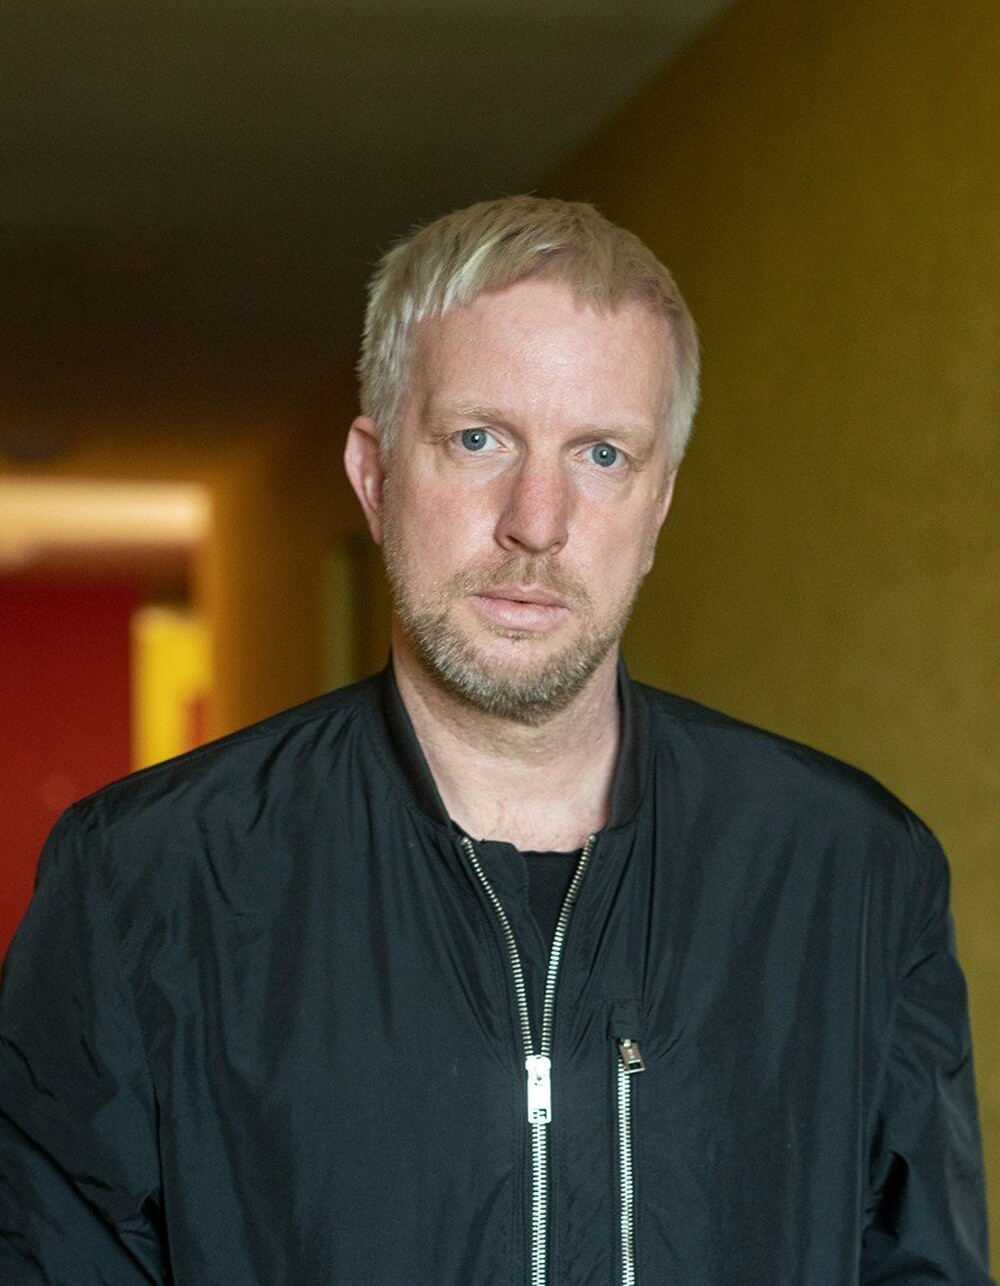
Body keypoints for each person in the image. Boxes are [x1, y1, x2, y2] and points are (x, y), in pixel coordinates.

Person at [0, 196, 992, 1285]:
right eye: (479, 439)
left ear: (657, 504)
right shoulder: (145, 877)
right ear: (375, 475)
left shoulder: (850, 869)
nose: (537, 517)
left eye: (602, 454)